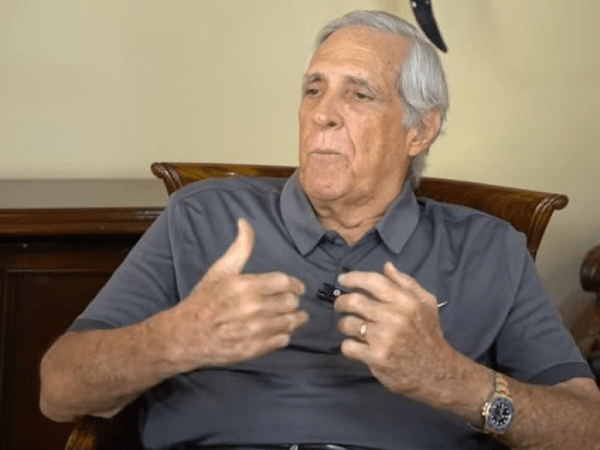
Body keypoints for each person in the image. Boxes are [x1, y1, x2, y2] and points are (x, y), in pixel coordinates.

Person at [40, 10, 600, 450]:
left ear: (420, 130)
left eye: (359, 93)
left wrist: (452, 380)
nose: (322, 113)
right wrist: (175, 338)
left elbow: (588, 430)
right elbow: (58, 390)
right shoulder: (201, 217)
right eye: (313, 89)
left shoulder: (490, 247)